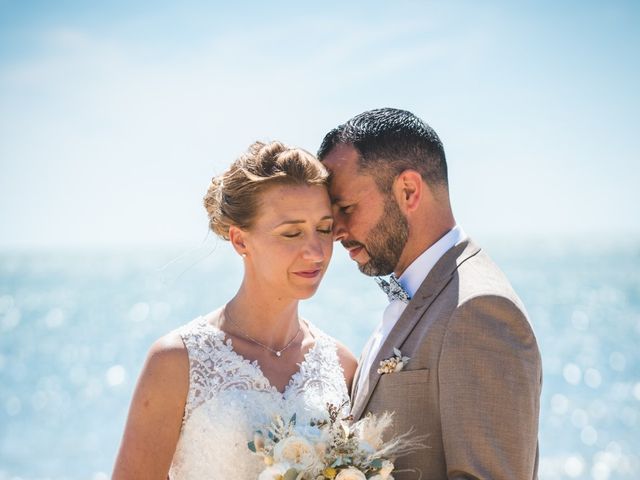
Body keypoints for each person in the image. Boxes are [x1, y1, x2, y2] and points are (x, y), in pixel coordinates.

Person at [318, 108, 542, 480]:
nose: (336, 230)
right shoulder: (421, 289)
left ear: (408, 190)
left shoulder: (479, 309)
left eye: (345, 208)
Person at [112, 141, 357, 479]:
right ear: (241, 241)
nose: (316, 252)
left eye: (324, 229)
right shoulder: (176, 362)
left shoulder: (342, 365)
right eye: (291, 233)